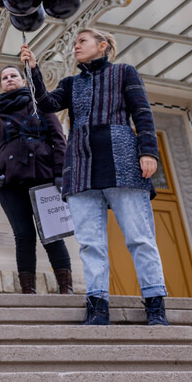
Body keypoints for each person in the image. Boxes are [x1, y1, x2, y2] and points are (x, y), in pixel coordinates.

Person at [21, 28, 168, 326]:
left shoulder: (124, 73)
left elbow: (142, 112)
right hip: (81, 169)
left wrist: (148, 152)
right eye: (74, 43)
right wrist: (33, 70)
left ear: (102, 46)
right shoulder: (71, 83)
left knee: (140, 239)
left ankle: (155, 305)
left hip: (124, 164)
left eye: (82, 42)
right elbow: (47, 104)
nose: (76, 47)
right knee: (90, 243)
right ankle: (97, 306)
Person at [0, 64, 73, 295]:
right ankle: (28, 292)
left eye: (13, 76)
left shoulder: (41, 106)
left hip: (43, 180)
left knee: (51, 235)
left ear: (23, 80)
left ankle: (66, 289)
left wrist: (61, 174)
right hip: (10, 185)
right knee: (23, 236)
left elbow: (59, 140)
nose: (9, 79)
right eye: (4, 77)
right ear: (1, 84)